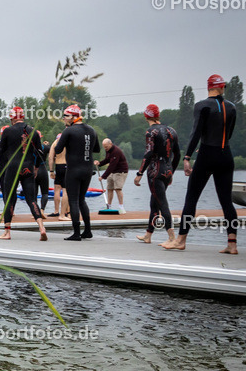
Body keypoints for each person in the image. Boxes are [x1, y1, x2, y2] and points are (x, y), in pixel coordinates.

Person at [163, 74, 238, 253]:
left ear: (208, 87)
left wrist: (187, 157)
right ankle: (232, 244)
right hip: (226, 155)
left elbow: (196, 132)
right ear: (221, 87)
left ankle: (181, 240)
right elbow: (229, 133)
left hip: (207, 154)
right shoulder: (232, 107)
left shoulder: (202, 105)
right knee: (226, 201)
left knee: (192, 197)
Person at [0, 107, 48, 241]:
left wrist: (3, 167)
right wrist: (36, 167)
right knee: (31, 199)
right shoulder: (33, 131)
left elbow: (0, 150)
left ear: (12, 118)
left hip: (13, 167)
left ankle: (7, 232)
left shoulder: (7, 131)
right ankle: (41, 227)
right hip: (28, 167)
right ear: (23, 117)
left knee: (9, 198)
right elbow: (40, 152)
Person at [134, 104, 180, 244]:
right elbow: (177, 154)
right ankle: (148, 235)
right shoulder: (172, 130)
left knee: (162, 203)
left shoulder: (151, 132)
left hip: (155, 172)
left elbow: (148, 154)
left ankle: (172, 237)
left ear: (146, 116)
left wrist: (139, 173)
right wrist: (171, 171)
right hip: (167, 170)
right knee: (154, 202)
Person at [53, 105, 100, 241]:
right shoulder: (92, 130)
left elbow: (58, 149)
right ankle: (88, 230)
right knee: (81, 200)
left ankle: (76, 233)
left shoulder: (69, 131)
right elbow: (96, 149)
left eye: (65, 116)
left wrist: (65, 140)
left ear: (74, 117)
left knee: (73, 200)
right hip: (87, 169)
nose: (63, 118)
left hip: (73, 169)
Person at [95, 139, 129, 213]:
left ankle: (121, 207)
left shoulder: (116, 151)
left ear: (110, 144)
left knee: (118, 189)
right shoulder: (108, 150)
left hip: (120, 171)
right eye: (104, 147)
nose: (105, 148)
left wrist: (103, 176)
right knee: (109, 188)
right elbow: (107, 160)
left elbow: (112, 165)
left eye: (106, 147)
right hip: (112, 171)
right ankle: (109, 206)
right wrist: (99, 163)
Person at [48, 133, 70, 220]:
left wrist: (51, 171)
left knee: (57, 189)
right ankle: (66, 212)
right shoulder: (68, 142)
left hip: (58, 166)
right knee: (66, 190)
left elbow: (50, 157)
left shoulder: (55, 142)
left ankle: (56, 211)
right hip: (67, 166)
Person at [35, 131, 51, 213]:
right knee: (45, 193)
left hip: (33, 171)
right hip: (43, 170)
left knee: (33, 194)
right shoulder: (45, 147)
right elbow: (54, 152)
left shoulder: (29, 148)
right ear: (40, 138)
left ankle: (35, 212)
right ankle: (42, 210)